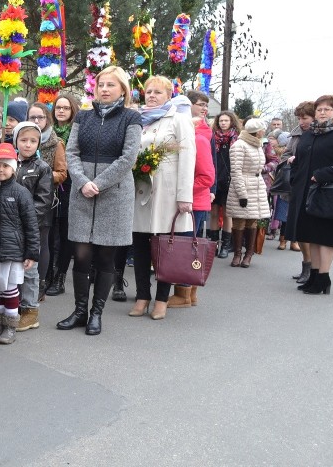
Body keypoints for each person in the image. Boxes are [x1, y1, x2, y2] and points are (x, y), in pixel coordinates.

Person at [57, 66, 141, 335]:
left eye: (111, 85)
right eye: (101, 84)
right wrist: (82, 182)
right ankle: (80, 310)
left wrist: (100, 183)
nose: (104, 89)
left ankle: (96, 313)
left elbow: (128, 158)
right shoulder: (83, 116)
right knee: (80, 255)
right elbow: (72, 152)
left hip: (114, 193)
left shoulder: (132, 118)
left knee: (106, 256)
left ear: (123, 90)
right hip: (82, 192)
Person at [129, 76, 196, 321]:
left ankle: (161, 299)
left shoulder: (178, 119)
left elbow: (188, 159)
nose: (152, 95)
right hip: (139, 190)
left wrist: (184, 197)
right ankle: (142, 296)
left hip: (166, 193)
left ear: (169, 95)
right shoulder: (138, 120)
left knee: (165, 249)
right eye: (148, 91)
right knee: (140, 244)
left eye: (158, 92)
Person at [287, 95, 333, 295]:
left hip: (330, 193)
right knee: (311, 235)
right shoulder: (310, 134)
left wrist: (322, 175)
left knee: (325, 237)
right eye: (319, 109)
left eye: (327, 109)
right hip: (307, 191)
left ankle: (324, 278)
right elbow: (299, 159)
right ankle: (314, 276)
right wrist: (296, 178)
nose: (322, 112)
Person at [0, 143, 39, 344]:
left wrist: (32, 252)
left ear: (13, 167)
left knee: (10, 288)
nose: (0, 169)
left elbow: (31, 224)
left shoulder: (20, 192)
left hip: (13, 249)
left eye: (5, 165)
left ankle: (11, 325)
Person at [168, 93, 215, 309]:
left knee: (186, 249)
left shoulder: (199, 138)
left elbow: (207, 176)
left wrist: (182, 189)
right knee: (184, 248)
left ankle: (184, 294)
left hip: (194, 203)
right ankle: (188, 294)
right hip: (187, 201)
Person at [12, 120, 52, 331]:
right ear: (16, 140)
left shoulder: (42, 168)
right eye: (23, 140)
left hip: (31, 226)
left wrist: (25, 220)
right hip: (10, 226)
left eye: (33, 141)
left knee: (29, 269)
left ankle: (30, 310)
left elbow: (43, 200)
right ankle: (12, 305)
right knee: (11, 267)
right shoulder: (8, 163)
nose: (28, 144)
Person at [27, 102, 68, 300]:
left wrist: (40, 175)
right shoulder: (21, 137)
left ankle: (39, 285)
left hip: (43, 197)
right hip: (22, 196)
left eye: (40, 117)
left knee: (41, 242)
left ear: (47, 119)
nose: (36, 121)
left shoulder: (55, 142)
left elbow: (62, 173)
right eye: (32, 117)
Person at [46, 93, 79, 297]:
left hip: (70, 186)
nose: (61, 111)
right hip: (49, 185)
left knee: (66, 232)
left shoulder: (76, 131)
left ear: (72, 110)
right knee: (49, 232)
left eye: (66, 108)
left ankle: (60, 276)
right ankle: (48, 273)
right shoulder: (47, 132)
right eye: (58, 107)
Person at [225, 118, 271, 268]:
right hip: (243, 186)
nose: (264, 131)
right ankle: (237, 253)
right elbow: (236, 171)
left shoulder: (258, 145)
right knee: (239, 221)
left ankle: (249, 254)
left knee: (253, 220)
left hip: (256, 187)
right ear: (258, 131)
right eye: (262, 129)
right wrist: (242, 194)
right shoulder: (239, 145)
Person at [282, 101, 315, 282]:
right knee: (298, 229)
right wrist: (290, 159)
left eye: (305, 118)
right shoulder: (295, 135)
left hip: (313, 186)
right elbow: (285, 154)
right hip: (297, 184)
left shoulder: (319, 135)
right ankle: (306, 266)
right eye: (300, 118)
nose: (301, 121)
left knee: (310, 229)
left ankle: (312, 269)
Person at [211, 111, 242, 258]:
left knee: (227, 212)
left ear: (231, 122)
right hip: (215, 177)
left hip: (229, 179)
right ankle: (213, 244)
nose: (223, 123)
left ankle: (225, 245)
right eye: (221, 121)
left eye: (226, 121)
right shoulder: (213, 137)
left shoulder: (236, 138)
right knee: (214, 212)